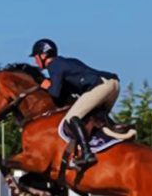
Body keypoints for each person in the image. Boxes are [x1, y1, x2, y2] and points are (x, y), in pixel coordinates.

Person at [30, 38, 120, 166]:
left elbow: (55, 93)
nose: (35, 60)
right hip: (114, 85)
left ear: (43, 55)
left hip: (100, 86)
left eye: (36, 57)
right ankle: (119, 131)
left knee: (72, 117)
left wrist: (46, 86)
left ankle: (87, 153)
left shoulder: (54, 65)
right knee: (96, 119)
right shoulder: (66, 62)